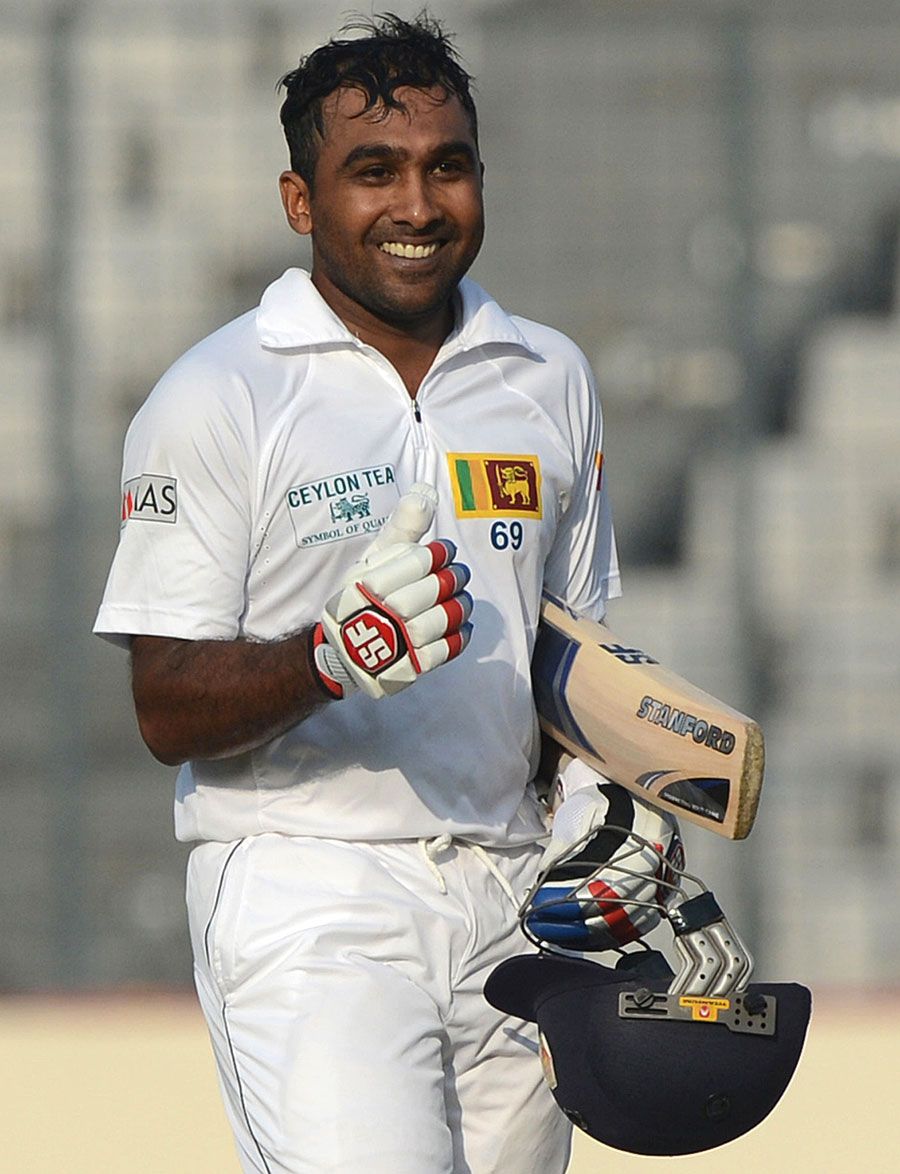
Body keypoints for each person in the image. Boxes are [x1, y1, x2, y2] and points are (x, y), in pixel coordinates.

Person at [95, 13, 626, 1173]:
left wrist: (602, 812)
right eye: (371, 171)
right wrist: (325, 657)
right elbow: (164, 709)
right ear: (300, 200)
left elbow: (574, 656)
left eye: (448, 166)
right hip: (309, 892)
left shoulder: (550, 376)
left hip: (513, 895)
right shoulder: (217, 394)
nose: (418, 206)